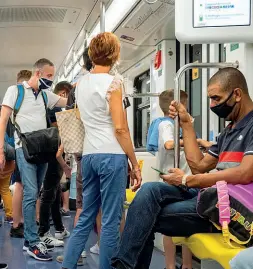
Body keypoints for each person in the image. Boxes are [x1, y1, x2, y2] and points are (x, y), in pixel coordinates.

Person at [111, 67, 253, 269]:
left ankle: (123, 266)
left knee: (144, 215)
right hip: (214, 197)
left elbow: (245, 173)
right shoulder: (229, 131)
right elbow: (198, 166)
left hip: (233, 208)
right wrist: (186, 124)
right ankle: (124, 265)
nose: (212, 105)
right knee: (150, 191)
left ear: (237, 94)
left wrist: (188, 181)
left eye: (216, 99)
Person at [61, 32, 142, 269]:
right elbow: (120, 128)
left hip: (89, 156)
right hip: (111, 155)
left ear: (91, 54)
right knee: (110, 220)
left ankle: (67, 265)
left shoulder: (79, 84)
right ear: (115, 54)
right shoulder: (114, 83)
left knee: (86, 215)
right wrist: (134, 164)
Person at [0, 58, 67, 261]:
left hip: (43, 149)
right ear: (37, 73)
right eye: (48, 76)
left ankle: (34, 237)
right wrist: (0, 149)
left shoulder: (46, 95)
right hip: (24, 148)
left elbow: (67, 101)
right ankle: (30, 241)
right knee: (30, 192)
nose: (50, 80)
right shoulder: (16, 91)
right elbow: (3, 118)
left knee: (35, 191)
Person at [38, 81, 72, 247]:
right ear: (64, 94)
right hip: (53, 153)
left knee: (55, 192)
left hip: (52, 153)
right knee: (49, 193)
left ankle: (58, 228)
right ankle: (43, 231)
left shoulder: (53, 107)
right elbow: (56, 128)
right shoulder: (55, 107)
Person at [10, 70, 32, 238]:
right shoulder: (20, 95)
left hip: (18, 147)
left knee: (20, 185)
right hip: (22, 147)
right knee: (20, 185)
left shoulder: (14, 99)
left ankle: (19, 222)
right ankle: (17, 223)